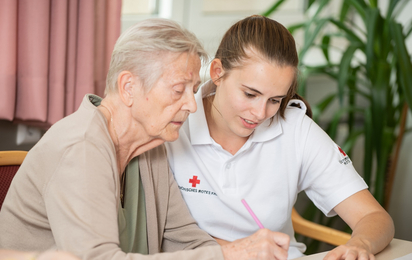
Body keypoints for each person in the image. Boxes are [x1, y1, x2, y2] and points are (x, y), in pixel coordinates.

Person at [0, 18, 290, 260]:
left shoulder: (151, 148)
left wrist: (249, 252)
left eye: (193, 89)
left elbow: (187, 242)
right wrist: (229, 255)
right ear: (128, 87)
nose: (191, 105)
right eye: (179, 90)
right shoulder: (81, 147)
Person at [165, 15, 395, 260]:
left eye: (275, 100)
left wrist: (361, 245)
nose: (260, 114)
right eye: (250, 94)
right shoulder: (173, 124)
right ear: (218, 72)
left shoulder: (295, 128)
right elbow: (157, 235)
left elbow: (374, 218)